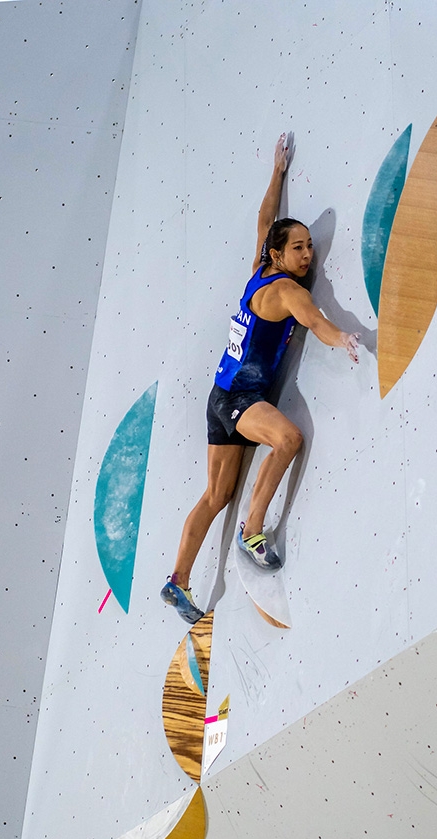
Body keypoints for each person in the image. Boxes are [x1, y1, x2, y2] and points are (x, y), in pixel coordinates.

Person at [161, 134, 360, 623]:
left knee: (215, 495)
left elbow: (263, 219)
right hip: (238, 399)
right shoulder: (286, 290)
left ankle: (177, 583)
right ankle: (253, 532)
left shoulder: (258, 269)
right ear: (278, 255)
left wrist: (277, 171)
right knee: (288, 438)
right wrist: (347, 340)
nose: (308, 254)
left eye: (310, 246)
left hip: (219, 397)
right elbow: (316, 321)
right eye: (298, 247)